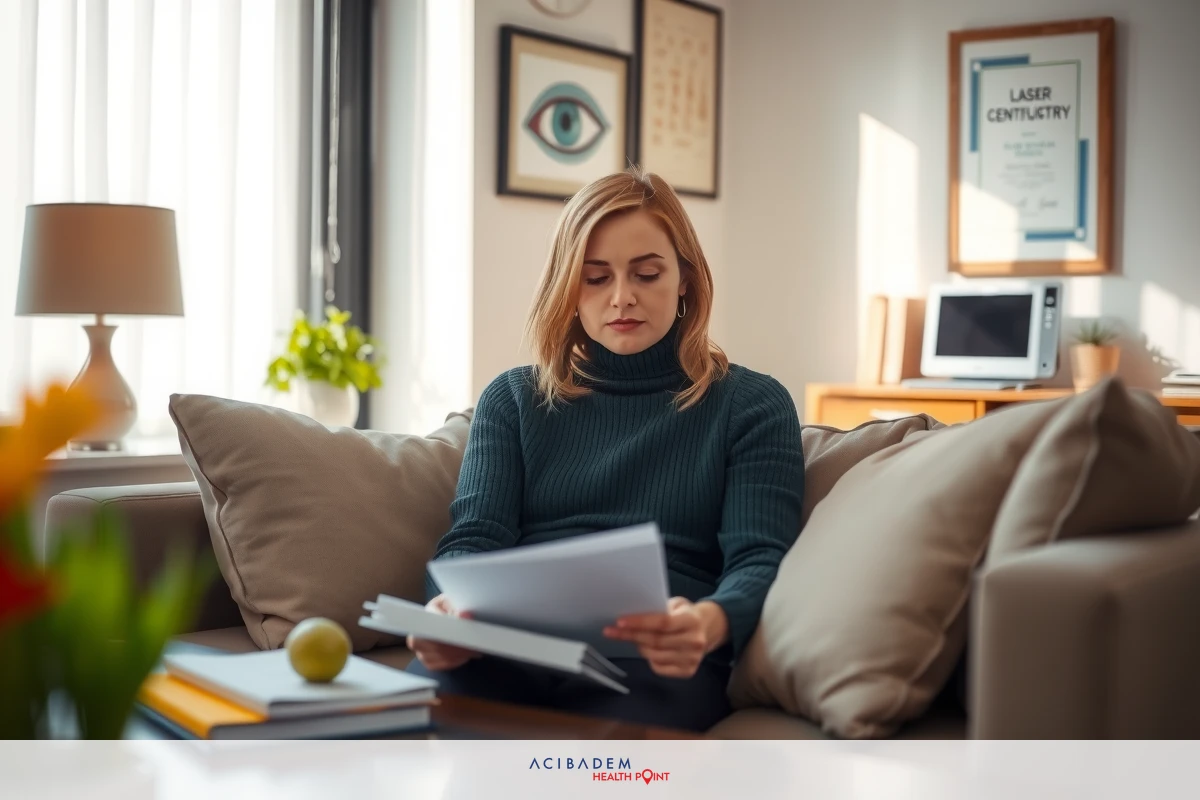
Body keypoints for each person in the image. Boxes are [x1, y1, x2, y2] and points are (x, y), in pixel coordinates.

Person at [405, 166, 805, 733]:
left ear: (685, 278)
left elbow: (759, 558)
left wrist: (709, 622)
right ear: (568, 288)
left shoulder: (751, 404)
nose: (622, 298)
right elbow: (473, 539)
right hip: (507, 648)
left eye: (647, 273)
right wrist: (444, 612)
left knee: (607, 761)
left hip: (653, 660)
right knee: (415, 726)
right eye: (595, 278)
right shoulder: (513, 398)